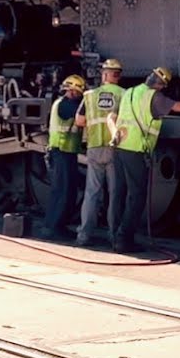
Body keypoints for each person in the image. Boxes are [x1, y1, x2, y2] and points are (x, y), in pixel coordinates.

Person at [104, 66, 180, 252]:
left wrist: (114, 131)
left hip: (119, 148)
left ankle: (115, 236)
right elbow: (177, 106)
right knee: (137, 196)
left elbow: (111, 116)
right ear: (162, 85)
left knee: (119, 193)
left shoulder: (130, 92)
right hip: (134, 150)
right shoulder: (154, 97)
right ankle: (124, 240)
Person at [73, 58, 124, 246]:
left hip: (94, 148)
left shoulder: (90, 95)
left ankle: (84, 235)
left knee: (92, 193)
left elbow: (79, 121)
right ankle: (114, 236)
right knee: (115, 193)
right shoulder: (124, 94)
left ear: (104, 75)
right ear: (118, 75)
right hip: (114, 149)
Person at [40, 74, 85, 239]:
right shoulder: (66, 105)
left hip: (67, 153)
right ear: (72, 91)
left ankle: (58, 226)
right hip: (61, 152)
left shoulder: (65, 103)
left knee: (67, 191)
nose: (79, 96)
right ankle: (52, 227)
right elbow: (81, 118)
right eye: (79, 93)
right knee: (62, 191)